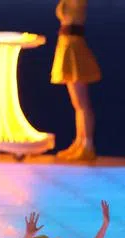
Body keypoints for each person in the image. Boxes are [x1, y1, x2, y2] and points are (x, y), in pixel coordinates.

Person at [51, 0, 102, 161]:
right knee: (77, 104)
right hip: (65, 45)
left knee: (82, 104)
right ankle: (80, 142)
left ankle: (88, 146)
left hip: (74, 48)